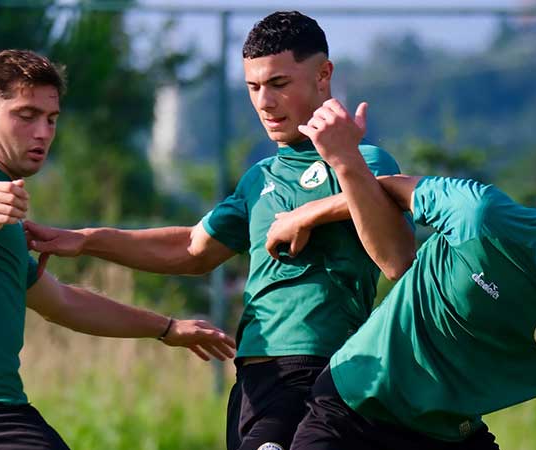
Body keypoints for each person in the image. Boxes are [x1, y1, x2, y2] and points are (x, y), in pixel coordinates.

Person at [24, 11, 414, 450]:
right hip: (255, 381)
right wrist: (89, 241)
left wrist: (316, 202)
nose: (264, 102)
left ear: (323, 75)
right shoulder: (258, 179)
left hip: (323, 373)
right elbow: (193, 249)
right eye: (253, 88)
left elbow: (397, 260)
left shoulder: (363, 165)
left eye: (279, 84)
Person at [274, 99, 536, 449]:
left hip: (446, 435)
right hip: (354, 402)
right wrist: (305, 216)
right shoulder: (482, 218)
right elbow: (391, 188)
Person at [0, 49, 236, 450]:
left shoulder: (3, 216)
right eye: (26, 115)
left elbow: (62, 303)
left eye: (51, 119)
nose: (42, 132)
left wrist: (166, 328)